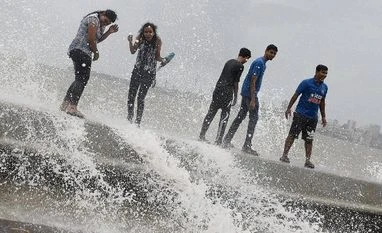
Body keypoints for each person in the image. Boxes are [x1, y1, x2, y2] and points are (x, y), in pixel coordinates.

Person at [60, 10, 119, 118]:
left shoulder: (100, 24)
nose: (106, 23)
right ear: (103, 14)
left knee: (79, 78)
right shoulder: (94, 19)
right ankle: (72, 107)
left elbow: (97, 39)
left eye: (108, 23)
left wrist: (109, 32)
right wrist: (96, 52)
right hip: (80, 50)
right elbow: (91, 38)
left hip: (80, 51)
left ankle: (65, 105)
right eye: (106, 20)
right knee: (82, 78)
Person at [222, 44, 278, 155]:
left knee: (240, 117)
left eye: (274, 54)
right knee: (253, 119)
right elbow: (253, 81)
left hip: (247, 93)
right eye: (271, 52)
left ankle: (227, 140)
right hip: (249, 94)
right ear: (266, 51)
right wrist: (253, 99)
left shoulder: (263, 64)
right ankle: (246, 145)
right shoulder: (259, 63)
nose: (272, 55)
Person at [279, 64, 329, 169]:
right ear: (316, 72)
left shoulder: (324, 87)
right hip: (301, 114)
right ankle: (284, 155)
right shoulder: (306, 83)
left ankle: (307, 161)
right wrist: (288, 108)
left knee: (309, 139)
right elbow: (295, 95)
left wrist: (323, 116)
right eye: (323, 72)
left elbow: (322, 102)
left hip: (313, 117)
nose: (324, 75)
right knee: (292, 135)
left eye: (326, 73)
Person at [199, 48, 251, 145]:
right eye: (247, 59)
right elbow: (235, 82)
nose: (246, 62)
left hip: (217, 90)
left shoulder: (229, 62)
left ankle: (201, 136)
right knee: (224, 117)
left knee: (210, 114)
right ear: (246, 57)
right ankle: (218, 141)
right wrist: (235, 97)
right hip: (227, 92)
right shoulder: (240, 66)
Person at [127, 22, 167, 126]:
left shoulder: (158, 41)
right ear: (143, 32)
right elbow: (133, 51)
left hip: (149, 73)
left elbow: (157, 57)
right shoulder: (139, 38)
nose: (148, 34)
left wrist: (163, 60)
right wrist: (130, 41)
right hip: (137, 70)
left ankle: (137, 122)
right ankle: (129, 118)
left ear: (154, 32)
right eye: (146, 32)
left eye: (150, 32)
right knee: (131, 96)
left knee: (141, 97)